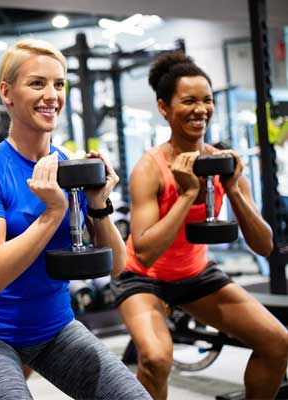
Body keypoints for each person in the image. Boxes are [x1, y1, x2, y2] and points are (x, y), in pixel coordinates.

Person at [0, 38, 150, 400]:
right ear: (7, 92)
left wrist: (98, 203)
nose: (51, 95)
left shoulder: (72, 167)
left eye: (59, 84)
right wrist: (53, 212)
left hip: (56, 328)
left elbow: (118, 264)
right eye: (37, 83)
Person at [111, 52, 288, 399]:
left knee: (277, 342)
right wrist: (186, 194)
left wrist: (233, 187)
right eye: (188, 100)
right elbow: (144, 252)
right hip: (142, 278)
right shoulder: (150, 168)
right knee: (157, 359)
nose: (200, 109)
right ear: (164, 107)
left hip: (195, 274)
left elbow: (264, 245)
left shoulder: (222, 163)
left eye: (206, 100)